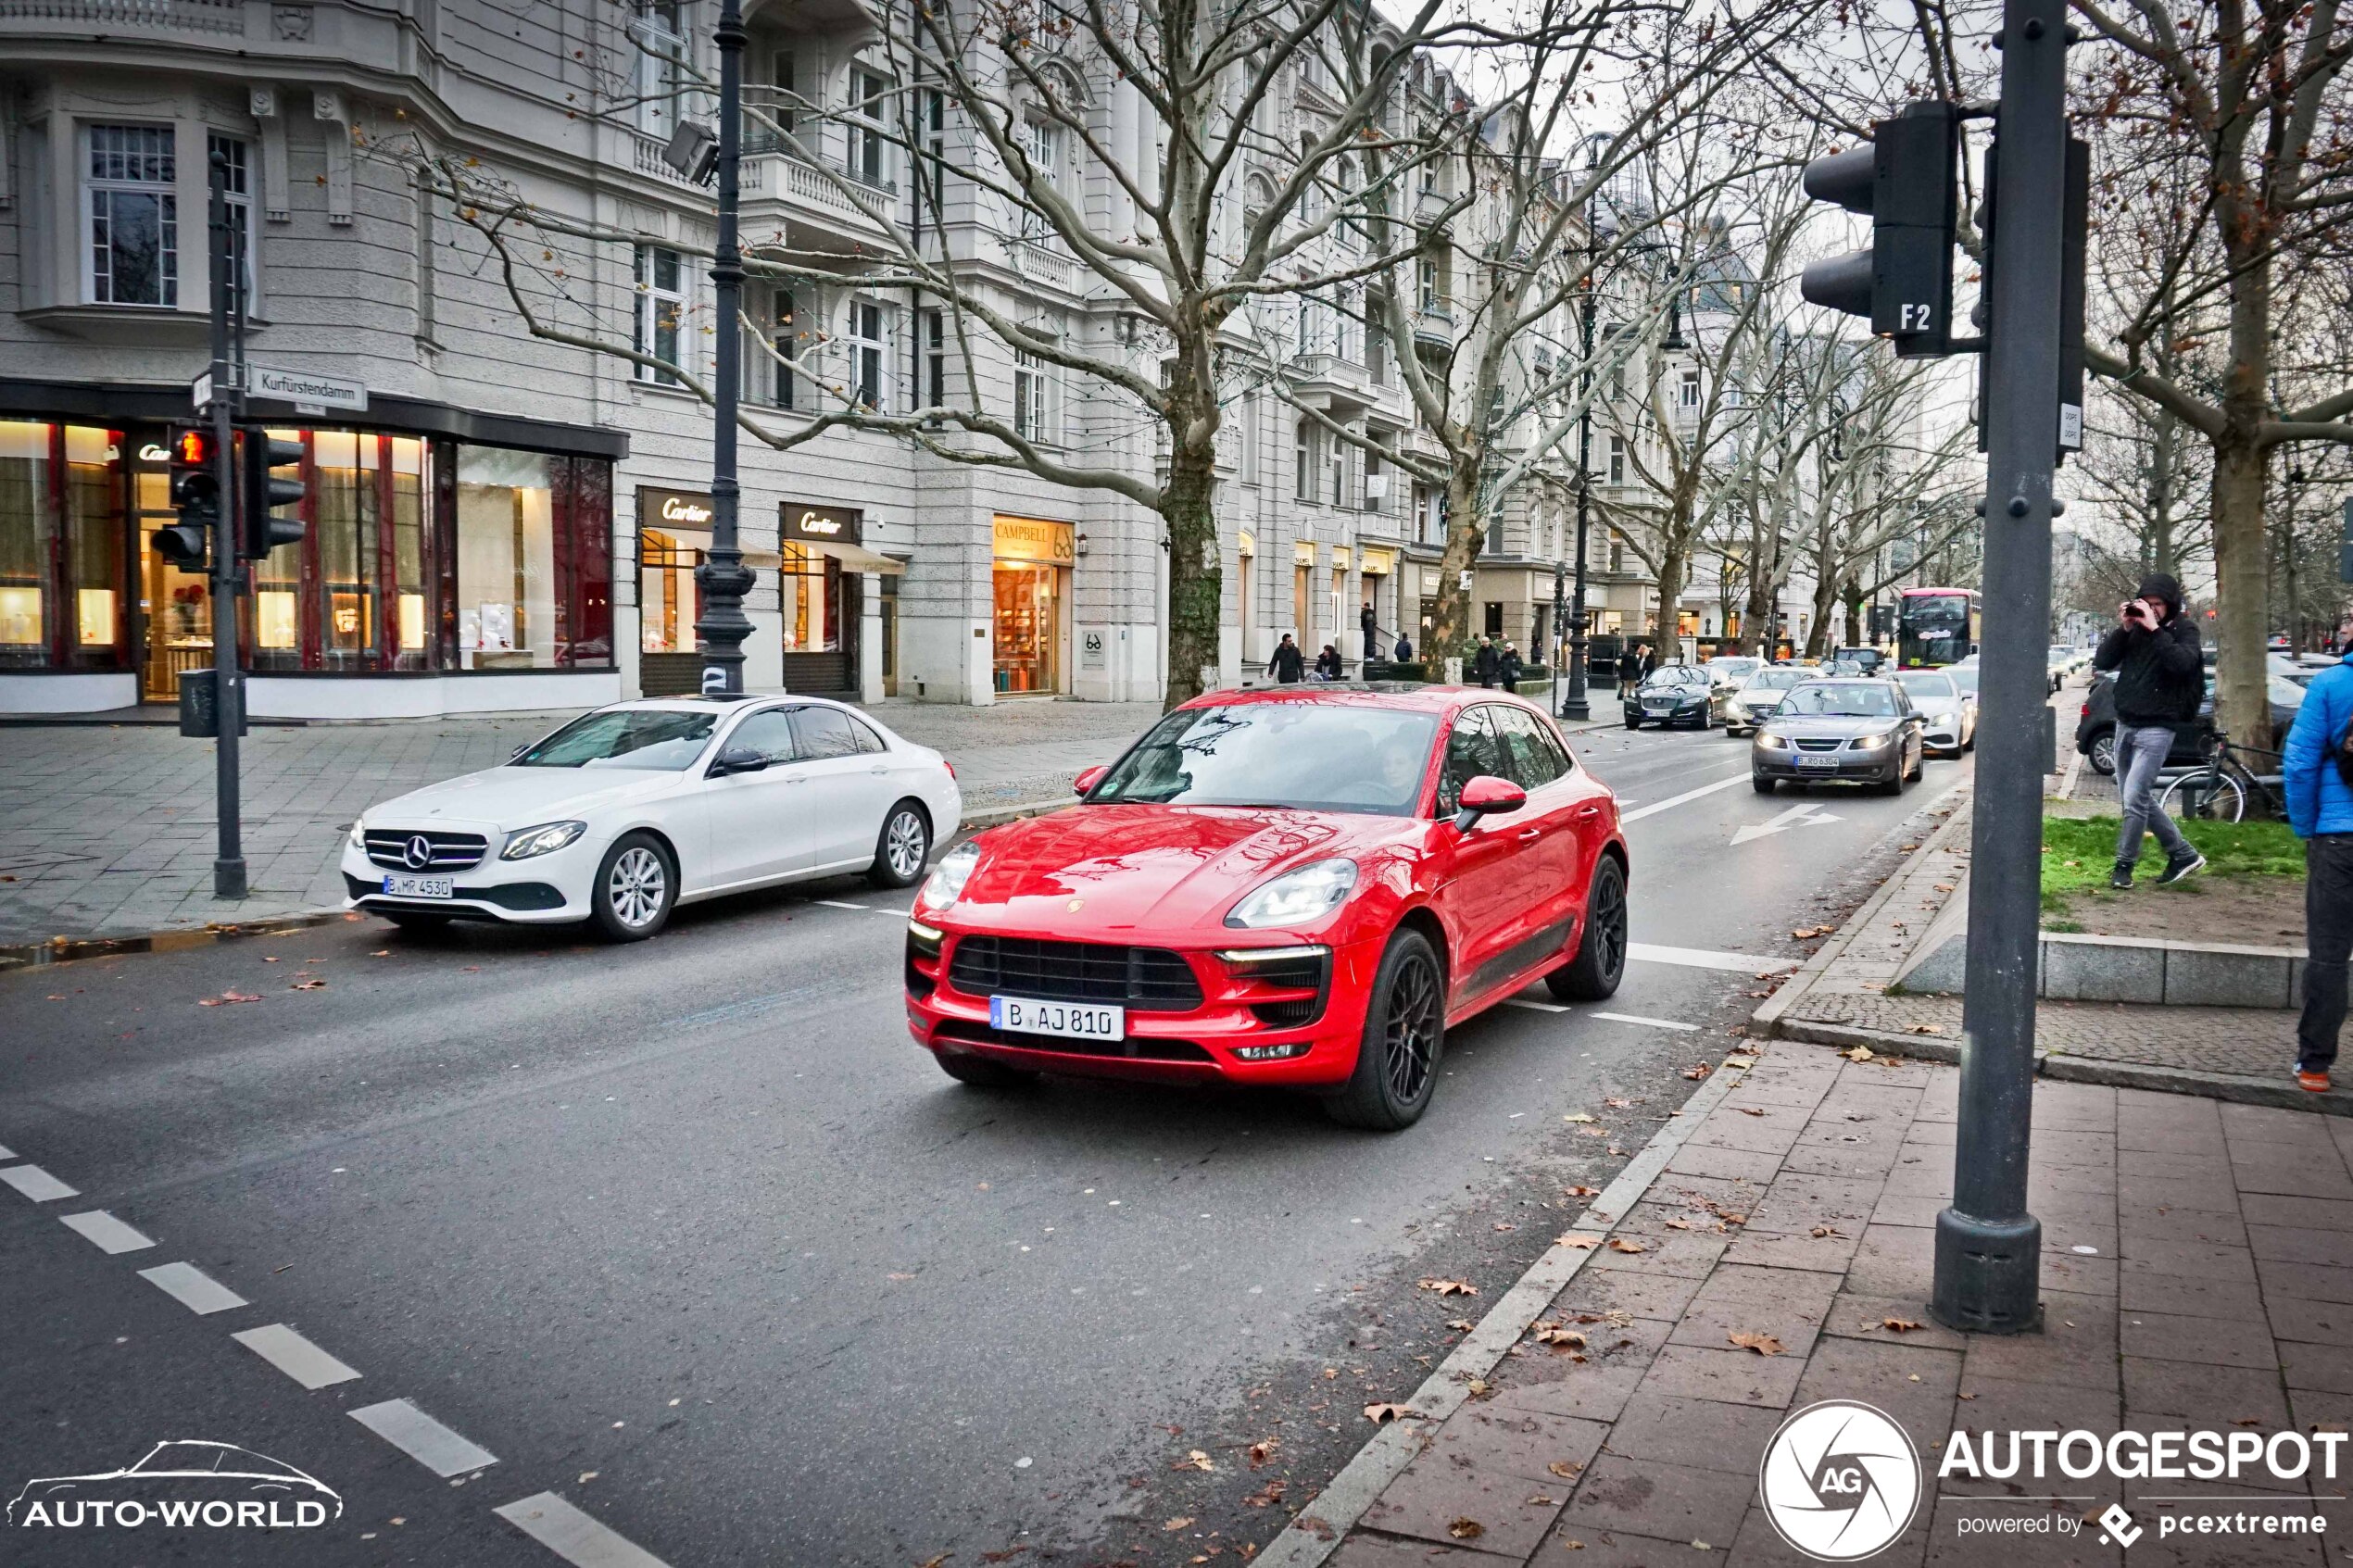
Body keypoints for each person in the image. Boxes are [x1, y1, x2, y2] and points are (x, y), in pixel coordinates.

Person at [2093, 572, 2207, 889]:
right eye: (2148, 604)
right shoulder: (2135, 630)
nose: (2153, 610)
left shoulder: (2185, 629)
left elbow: (2182, 664)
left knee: (2135, 798)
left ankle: (2124, 866)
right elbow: (2102, 660)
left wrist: (2156, 630)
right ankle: (2183, 854)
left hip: (2159, 725)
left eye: (2159, 605)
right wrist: (2125, 628)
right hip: (2126, 722)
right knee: (2135, 798)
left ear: (2170, 605)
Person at [2284, 656, 2353, 1091]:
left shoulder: (2329, 684)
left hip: (2337, 838)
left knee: (2329, 957)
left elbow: (2300, 763)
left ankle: (2314, 1066)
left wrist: (2308, 827)